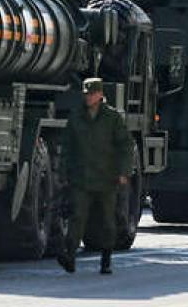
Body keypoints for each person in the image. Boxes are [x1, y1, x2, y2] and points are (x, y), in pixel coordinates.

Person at [57, 77, 133, 275]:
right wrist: (63, 173)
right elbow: (67, 147)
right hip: (82, 178)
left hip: (106, 178)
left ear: (100, 95)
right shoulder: (76, 117)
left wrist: (124, 172)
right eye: (86, 94)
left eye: (92, 94)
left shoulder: (112, 118)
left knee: (107, 222)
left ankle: (106, 260)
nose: (88, 98)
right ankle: (70, 256)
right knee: (77, 217)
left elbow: (125, 146)